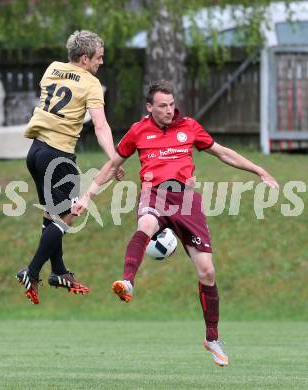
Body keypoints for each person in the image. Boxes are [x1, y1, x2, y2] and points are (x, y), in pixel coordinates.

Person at [72, 80, 279, 367]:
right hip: (153, 193)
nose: (169, 110)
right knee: (145, 223)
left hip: (187, 201)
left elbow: (222, 152)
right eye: (162, 106)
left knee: (207, 271)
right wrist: (87, 197)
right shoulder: (138, 131)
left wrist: (258, 170)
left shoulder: (189, 127)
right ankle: (127, 282)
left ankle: (212, 338)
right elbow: (112, 165)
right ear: (149, 107)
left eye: (171, 104)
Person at [16, 30, 123, 305]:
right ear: (85, 58)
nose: (102, 62)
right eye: (99, 57)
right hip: (58, 157)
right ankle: (32, 270)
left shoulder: (52, 68)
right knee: (69, 215)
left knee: (52, 217)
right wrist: (114, 157)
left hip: (35, 152)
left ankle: (59, 271)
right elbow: (100, 126)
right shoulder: (91, 83)